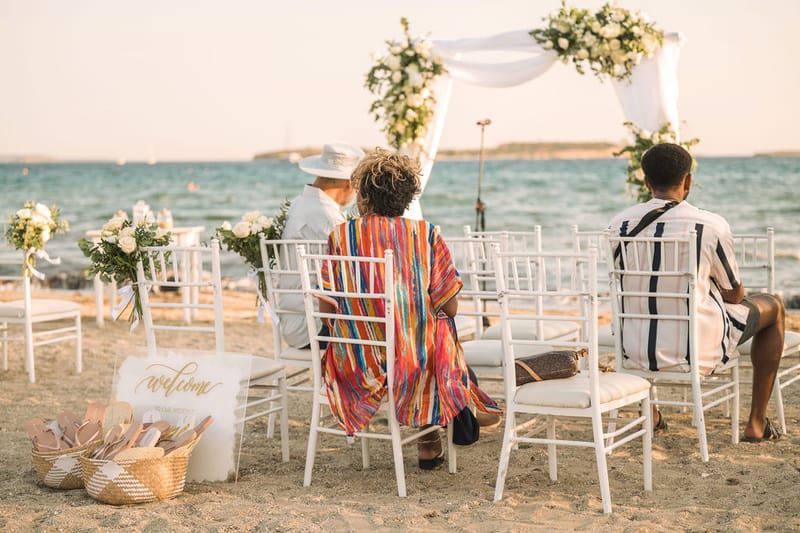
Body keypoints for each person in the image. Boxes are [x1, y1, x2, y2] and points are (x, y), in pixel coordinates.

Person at [318, 147, 501, 469]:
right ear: (406, 196)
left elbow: (326, 303)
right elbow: (451, 304)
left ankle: (446, 423)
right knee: (438, 333)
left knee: (423, 336)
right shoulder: (425, 234)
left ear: (364, 195)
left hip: (355, 357)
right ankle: (436, 430)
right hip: (413, 360)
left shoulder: (340, 236)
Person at [608, 142, 785, 442]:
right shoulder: (710, 225)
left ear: (646, 180)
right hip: (695, 350)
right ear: (688, 182)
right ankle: (756, 422)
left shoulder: (618, 225)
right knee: (775, 307)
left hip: (633, 349)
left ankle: (651, 414)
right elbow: (733, 295)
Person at [278, 142, 364, 349]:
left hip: (293, 321)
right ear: (349, 184)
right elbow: (353, 272)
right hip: (315, 326)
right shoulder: (328, 216)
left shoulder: (299, 204)